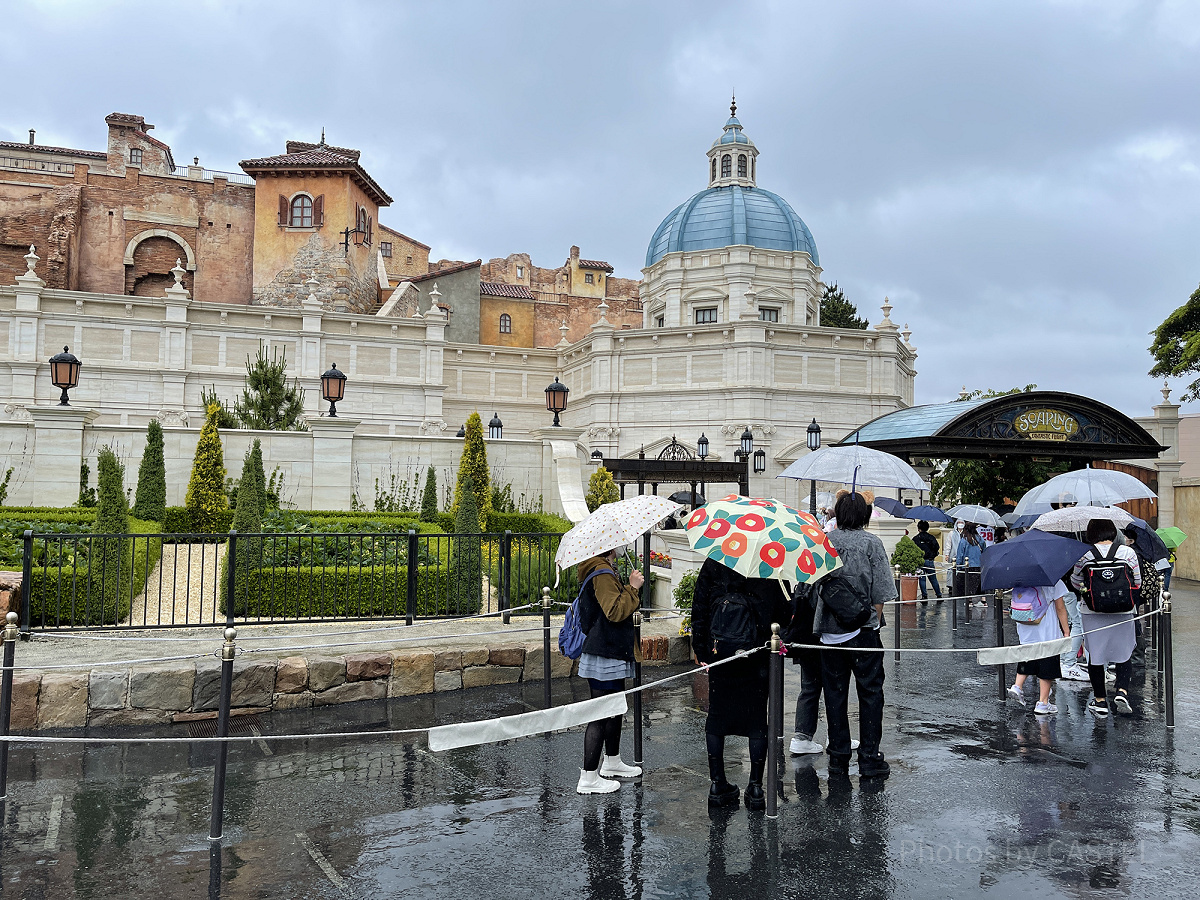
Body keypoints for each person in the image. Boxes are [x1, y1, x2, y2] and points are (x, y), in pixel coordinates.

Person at [692, 558, 792, 810]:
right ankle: (756, 787)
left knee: (716, 715)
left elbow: (700, 605)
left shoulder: (715, 559)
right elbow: (785, 611)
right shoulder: (770, 562)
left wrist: (701, 648)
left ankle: (717, 784)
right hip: (756, 651)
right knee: (757, 718)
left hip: (720, 650)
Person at [815, 491, 894, 779]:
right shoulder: (872, 543)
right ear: (865, 515)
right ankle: (870, 757)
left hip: (829, 632)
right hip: (863, 631)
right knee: (871, 694)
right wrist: (873, 619)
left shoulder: (826, 542)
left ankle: (838, 756)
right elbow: (882, 591)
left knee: (834, 694)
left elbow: (814, 585)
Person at [574, 547, 644, 794]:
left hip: (610, 650)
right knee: (600, 714)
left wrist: (627, 587)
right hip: (604, 651)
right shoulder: (601, 572)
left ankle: (612, 762)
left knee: (614, 710)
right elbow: (614, 612)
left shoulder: (603, 569)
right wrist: (633, 587)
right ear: (610, 546)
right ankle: (589, 777)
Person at [1070, 519, 1141, 718]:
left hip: (1093, 612)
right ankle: (1122, 691)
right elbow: (1137, 581)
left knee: (1096, 656)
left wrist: (1086, 590)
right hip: (1124, 611)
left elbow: (1075, 581)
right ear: (1112, 531)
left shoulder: (1084, 554)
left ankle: (1100, 701)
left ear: (1091, 534)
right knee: (1124, 652)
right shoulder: (1128, 552)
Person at [1006, 581, 1071, 715]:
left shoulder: (1019, 577)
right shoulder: (1053, 580)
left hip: (1025, 623)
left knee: (1027, 655)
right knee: (1047, 661)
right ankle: (1043, 703)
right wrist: (1066, 631)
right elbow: (1060, 608)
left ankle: (1017, 686)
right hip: (1046, 626)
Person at [911, 520, 943, 602]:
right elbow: (936, 547)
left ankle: (924, 596)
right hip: (929, 560)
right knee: (933, 579)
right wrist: (933, 555)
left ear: (918, 528)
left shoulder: (915, 539)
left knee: (922, 579)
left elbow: (913, 550)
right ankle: (938, 594)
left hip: (920, 561)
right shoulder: (931, 538)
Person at [955, 522, 984, 605]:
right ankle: (983, 600)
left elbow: (960, 554)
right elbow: (984, 551)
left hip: (967, 566)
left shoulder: (964, 540)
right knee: (979, 584)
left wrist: (958, 566)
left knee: (968, 584)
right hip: (979, 565)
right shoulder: (980, 539)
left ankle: (970, 601)